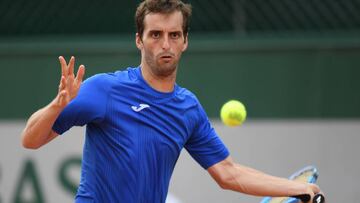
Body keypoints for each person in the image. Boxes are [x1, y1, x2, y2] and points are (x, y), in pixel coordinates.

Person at [21, 0, 321, 202]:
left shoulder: (188, 108)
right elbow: (30, 140)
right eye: (155, 35)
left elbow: (229, 173)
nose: (165, 44)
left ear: (185, 40)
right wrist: (58, 105)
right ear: (139, 39)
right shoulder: (104, 89)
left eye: (174, 34)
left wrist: (299, 189)